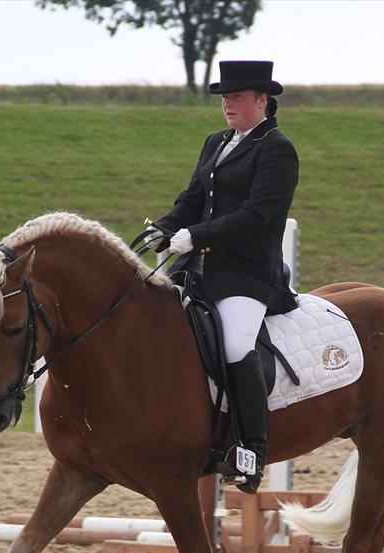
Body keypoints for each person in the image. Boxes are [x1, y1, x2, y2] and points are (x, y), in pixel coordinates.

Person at [145, 60, 299, 493]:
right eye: (225, 98)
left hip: (247, 275)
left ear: (262, 100)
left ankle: (252, 452)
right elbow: (192, 199)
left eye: (236, 97)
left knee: (235, 345)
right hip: (196, 269)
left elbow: (257, 216)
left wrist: (196, 235)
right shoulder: (216, 142)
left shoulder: (277, 149)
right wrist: (166, 227)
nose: (228, 104)